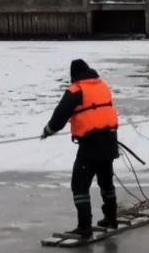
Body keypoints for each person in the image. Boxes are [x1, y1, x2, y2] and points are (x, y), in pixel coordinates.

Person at [41, 59, 119, 239]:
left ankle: (85, 227)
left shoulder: (76, 90)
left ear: (74, 75)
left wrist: (48, 131)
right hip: (110, 140)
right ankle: (111, 218)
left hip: (91, 144)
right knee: (106, 181)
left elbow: (60, 116)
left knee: (79, 185)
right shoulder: (102, 85)